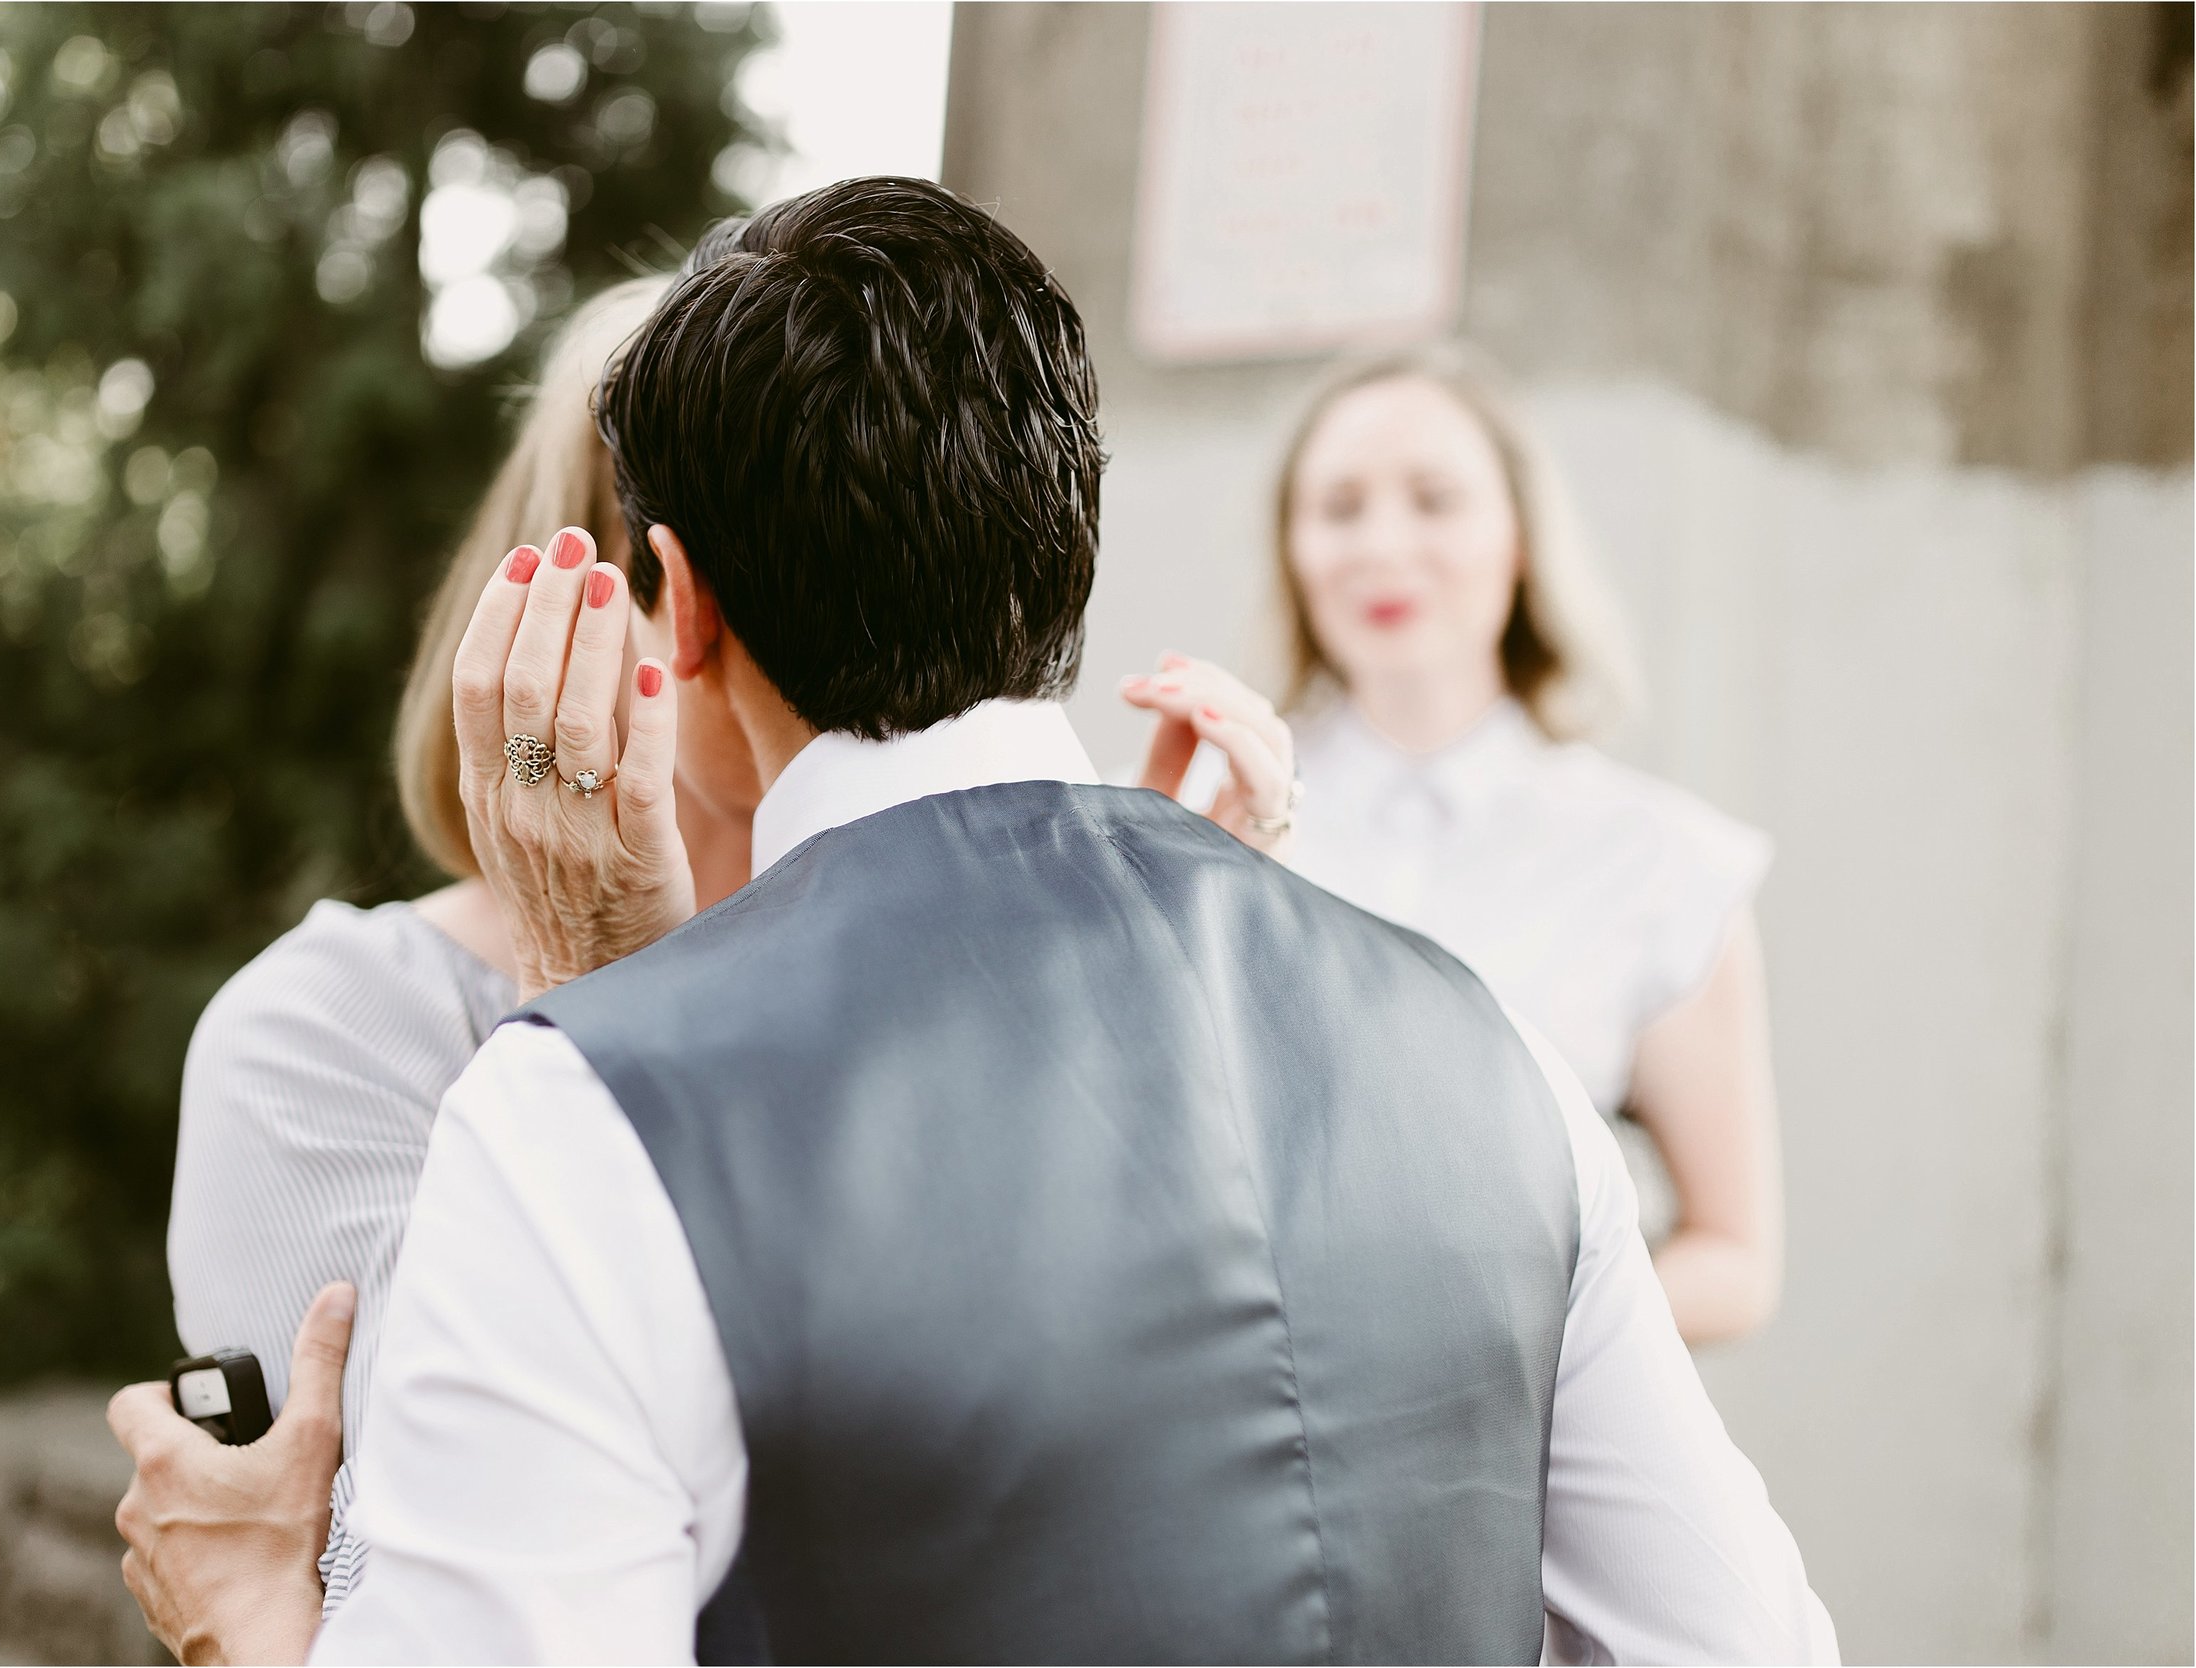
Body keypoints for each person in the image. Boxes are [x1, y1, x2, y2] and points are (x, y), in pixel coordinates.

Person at [112, 177, 1835, 1664]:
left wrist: (260, 1625)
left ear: (681, 603)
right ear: (1065, 554)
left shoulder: (589, 1113)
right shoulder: (1493, 1051)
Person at [162, 275, 1296, 1622]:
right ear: (589, 603)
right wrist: (595, 1005)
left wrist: (1119, 987)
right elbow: (439, 1560)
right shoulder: (324, 1030)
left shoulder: (958, 978)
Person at [1270, 344, 1785, 1345]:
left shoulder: (1661, 865)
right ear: (1293, 550)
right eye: (1337, 507)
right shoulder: (1200, 824)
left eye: (1432, 498)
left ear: (1518, 535)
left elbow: (1734, 1258)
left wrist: (1496, 1340)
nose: (1381, 544)